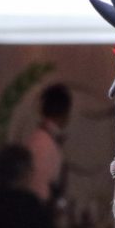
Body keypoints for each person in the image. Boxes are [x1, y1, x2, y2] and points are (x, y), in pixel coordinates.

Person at [24, 83, 72, 211]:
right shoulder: (44, 145)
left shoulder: (40, 140)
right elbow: (40, 192)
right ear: (65, 112)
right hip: (40, 216)